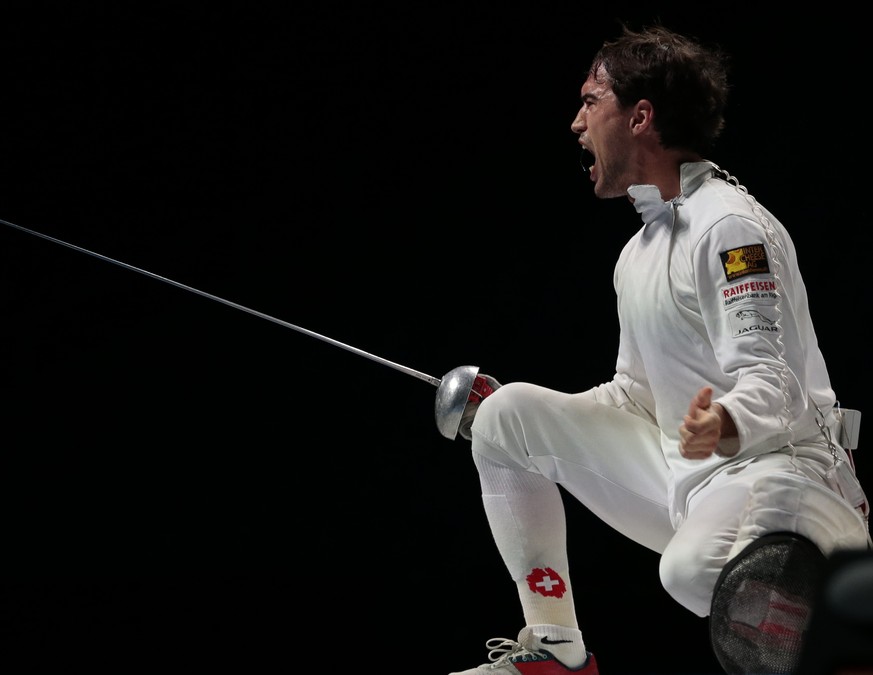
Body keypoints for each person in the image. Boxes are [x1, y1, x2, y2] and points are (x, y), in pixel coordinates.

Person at [449, 23, 871, 675]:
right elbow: (633, 394)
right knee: (506, 420)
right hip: (693, 483)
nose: (575, 122)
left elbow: (777, 382)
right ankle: (558, 653)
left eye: (591, 101)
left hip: (782, 472)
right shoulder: (636, 254)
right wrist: (530, 407)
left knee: (686, 571)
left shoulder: (728, 227)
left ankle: (844, 613)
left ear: (640, 116)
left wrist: (723, 420)